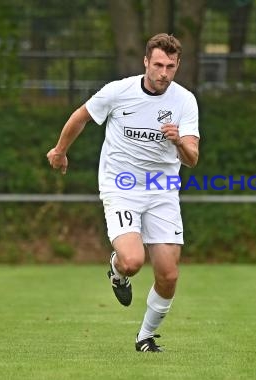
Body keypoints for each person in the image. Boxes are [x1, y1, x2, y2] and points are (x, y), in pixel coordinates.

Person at [46, 33, 200, 353]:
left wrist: (178, 141)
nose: (163, 73)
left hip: (162, 190)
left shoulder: (184, 101)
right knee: (132, 261)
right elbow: (81, 117)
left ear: (177, 66)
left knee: (169, 275)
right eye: (157, 65)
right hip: (121, 185)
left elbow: (192, 159)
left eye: (170, 66)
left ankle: (145, 336)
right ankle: (118, 272)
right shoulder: (119, 91)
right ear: (146, 62)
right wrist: (60, 151)